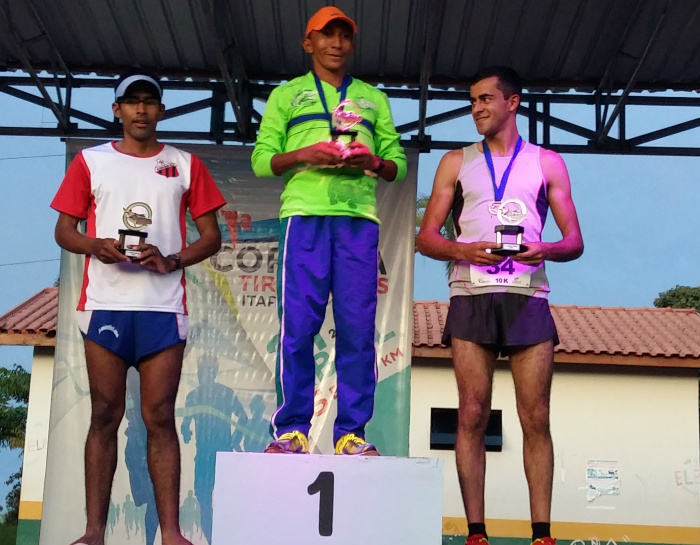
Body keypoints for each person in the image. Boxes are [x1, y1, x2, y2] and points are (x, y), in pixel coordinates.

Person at [51, 69, 226, 545]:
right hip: (105, 304)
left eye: (150, 101)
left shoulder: (185, 164)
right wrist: (94, 245)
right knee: (105, 415)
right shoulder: (90, 161)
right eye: (132, 102)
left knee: (160, 417)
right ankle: (94, 533)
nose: (141, 109)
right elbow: (64, 231)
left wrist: (172, 260)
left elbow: (212, 236)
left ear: (161, 110)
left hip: (163, 308)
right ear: (117, 110)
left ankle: (172, 533)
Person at [416, 66, 584, 545]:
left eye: (486, 99)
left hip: (528, 295)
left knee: (536, 416)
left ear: (513, 103)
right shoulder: (455, 161)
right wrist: (462, 249)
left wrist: (546, 248)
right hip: (471, 293)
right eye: (472, 101)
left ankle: (542, 533)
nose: (477, 108)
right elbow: (426, 237)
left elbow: (574, 240)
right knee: (471, 412)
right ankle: (476, 532)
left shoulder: (548, 162)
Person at [251, 6, 407, 456]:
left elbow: (395, 164)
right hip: (305, 215)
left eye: (344, 36)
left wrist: (372, 162)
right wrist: (305, 155)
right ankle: (292, 429)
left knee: (358, 330)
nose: (336, 43)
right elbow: (262, 161)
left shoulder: (373, 99)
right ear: (308, 43)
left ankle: (351, 433)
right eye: (326, 35)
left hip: (358, 219)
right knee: (298, 328)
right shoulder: (288, 95)